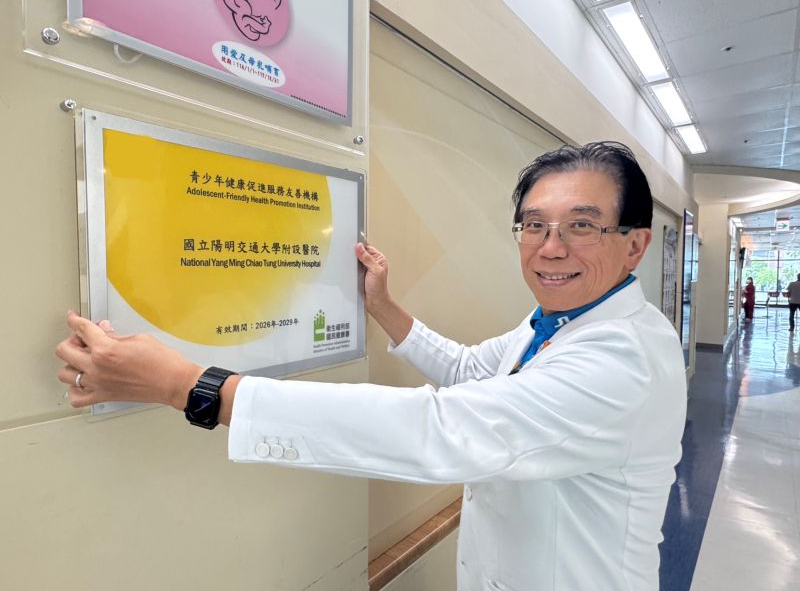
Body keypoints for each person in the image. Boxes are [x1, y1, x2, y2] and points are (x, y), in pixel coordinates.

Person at [56, 142, 687, 591]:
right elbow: (471, 370)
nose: (550, 248)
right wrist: (382, 306)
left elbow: (443, 430)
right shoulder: (557, 319)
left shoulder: (624, 359)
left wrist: (188, 386)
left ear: (635, 244)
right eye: (534, 225)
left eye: (582, 227)